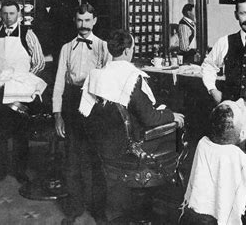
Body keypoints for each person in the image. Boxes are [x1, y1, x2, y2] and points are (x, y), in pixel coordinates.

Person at [79, 29, 185, 219]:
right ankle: (166, 206)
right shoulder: (131, 77)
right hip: (131, 149)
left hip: (104, 149)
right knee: (180, 133)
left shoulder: (96, 75)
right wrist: (171, 115)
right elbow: (150, 118)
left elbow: (87, 112)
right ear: (128, 50)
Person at [52, 3, 110, 225]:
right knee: (72, 160)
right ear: (75, 21)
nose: (83, 25)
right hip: (72, 104)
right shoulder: (66, 48)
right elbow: (58, 83)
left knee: (97, 160)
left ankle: (99, 210)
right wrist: (57, 114)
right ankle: (74, 207)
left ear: (94, 21)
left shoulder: (104, 47)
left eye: (87, 21)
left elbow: (107, 82)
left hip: (95, 104)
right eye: (79, 20)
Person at [0, 0, 45, 184]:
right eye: (5, 14)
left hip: (20, 92)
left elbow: (39, 62)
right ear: (0, 15)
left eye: (12, 13)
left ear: (19, 15)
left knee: (20, 132)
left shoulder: (28, 34)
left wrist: (24, 81)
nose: (8, 17)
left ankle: (20, 170)